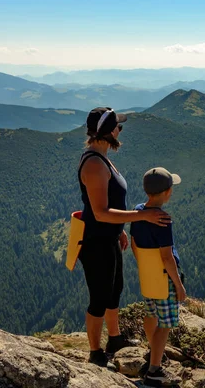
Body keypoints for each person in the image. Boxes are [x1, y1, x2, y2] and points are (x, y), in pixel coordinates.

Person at [78, 107, 171, 369]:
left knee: (114, 289)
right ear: (108, 131)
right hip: (96, 241)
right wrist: (141, 217)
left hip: (107, 237)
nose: (121, 130)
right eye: (118, 126)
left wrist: (119, 231)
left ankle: (115, 339)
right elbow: (100, 212)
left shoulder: (102, 158)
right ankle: (95, 351)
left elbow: (109, 206)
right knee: (99, 296)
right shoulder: (95, 164)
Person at [130, 167, 186, 386]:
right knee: (165, 324)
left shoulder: (138, 211)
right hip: (165, 279)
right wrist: (179, 286)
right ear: (167, 192)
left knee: (150, 314)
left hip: (148, 276)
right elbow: (167, 257)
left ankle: (152, 353)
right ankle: (154, 369)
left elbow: (135, 244)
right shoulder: (163, 220)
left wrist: (145, 265)